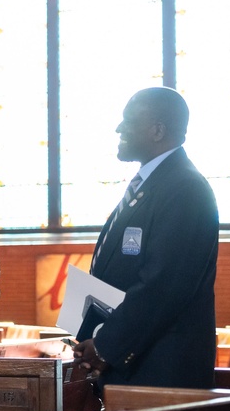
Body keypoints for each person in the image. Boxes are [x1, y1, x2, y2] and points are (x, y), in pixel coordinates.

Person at [73, 86, 219, 389]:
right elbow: (114, 271)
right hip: (132, 366)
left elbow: (164, 285)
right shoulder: (148, 186)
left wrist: (105, 346)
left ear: (157, 130)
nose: (118, 128)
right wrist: (85, 335)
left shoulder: (186, 188)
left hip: (161, 370)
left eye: (128, 120)